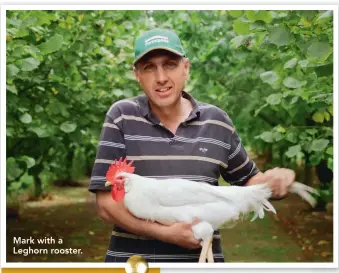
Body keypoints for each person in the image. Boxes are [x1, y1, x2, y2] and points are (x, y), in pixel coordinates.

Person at [88, 28, 295, 263]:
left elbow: (247, 180)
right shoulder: (122, 116)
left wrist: (273, 181)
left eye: (170, 64)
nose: (161, 77)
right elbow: (106, 204)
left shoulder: (217, 121)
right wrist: (165, 234)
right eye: (149, 67)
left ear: (186, 67)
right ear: (137, 74)